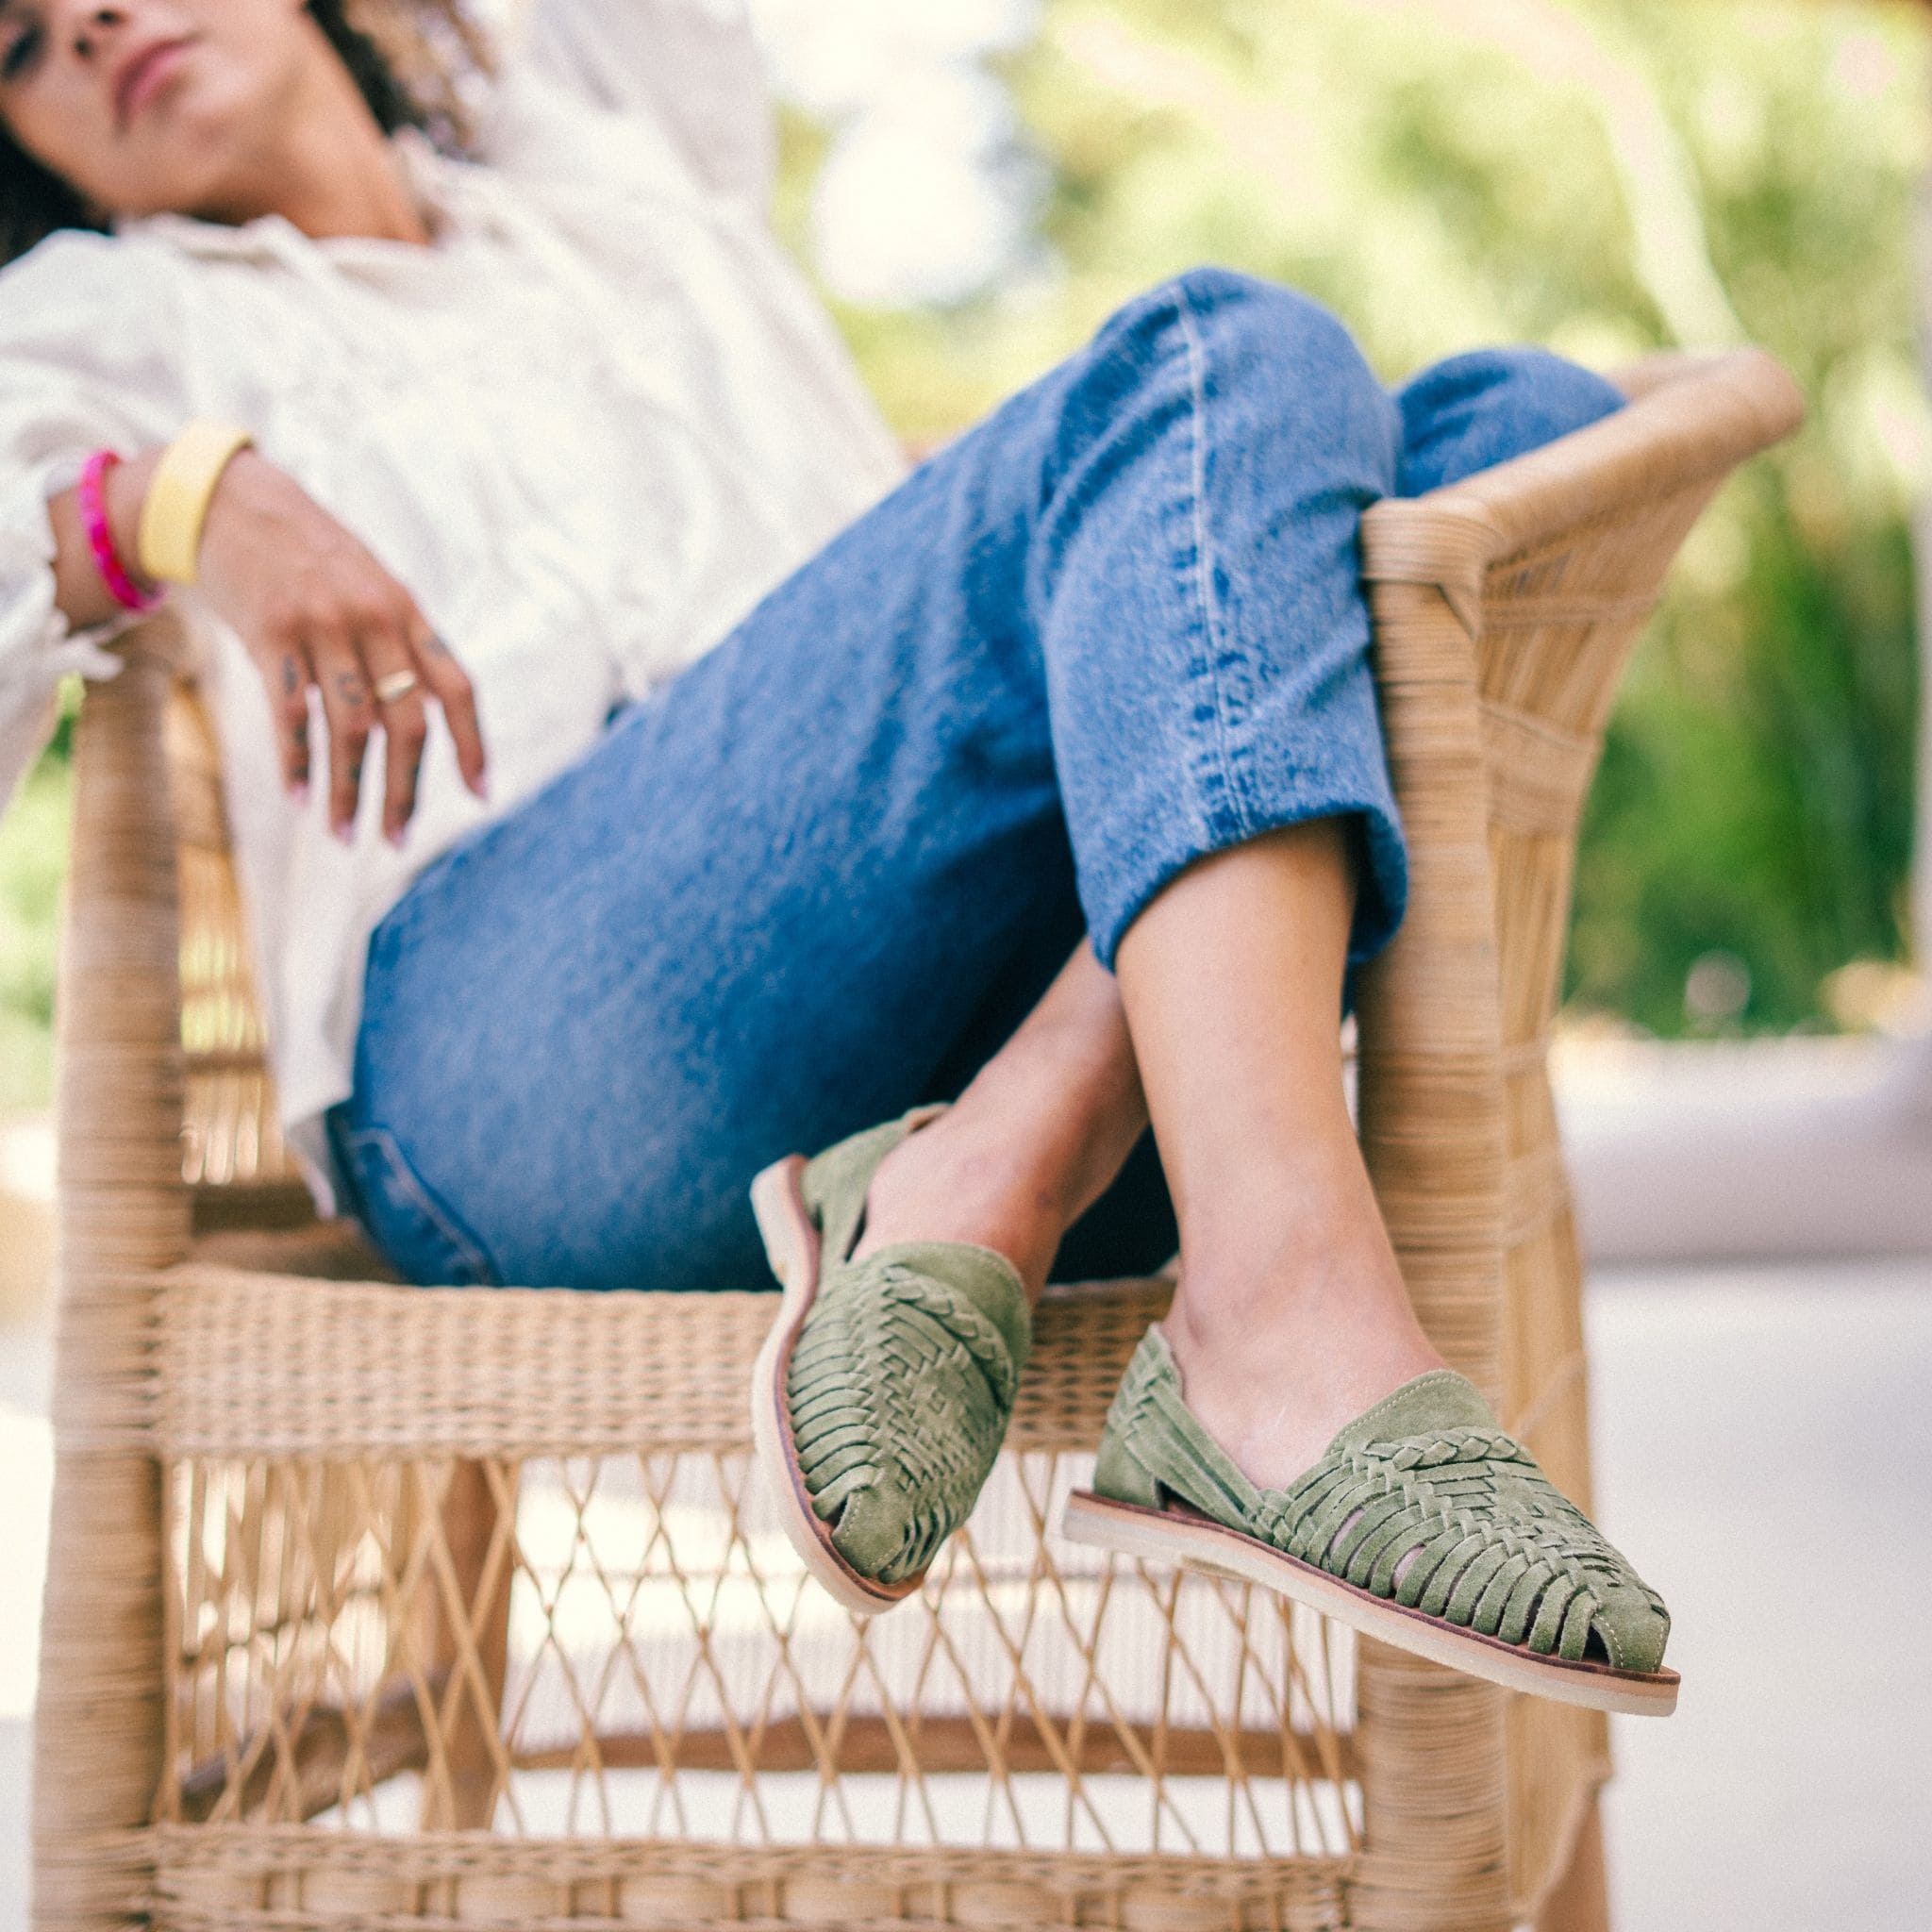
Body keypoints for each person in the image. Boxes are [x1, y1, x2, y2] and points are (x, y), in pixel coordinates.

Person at [0, 0, 1673, 1707]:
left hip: (917, 979)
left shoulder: (601, 151)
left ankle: (1003, 1163)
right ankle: (1270, 1311)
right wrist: (177, 502)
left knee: (1510, 427)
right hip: (521, 1068)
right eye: (20, 45)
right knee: (1216, 350)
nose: (94, 26)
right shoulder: (95, 316)